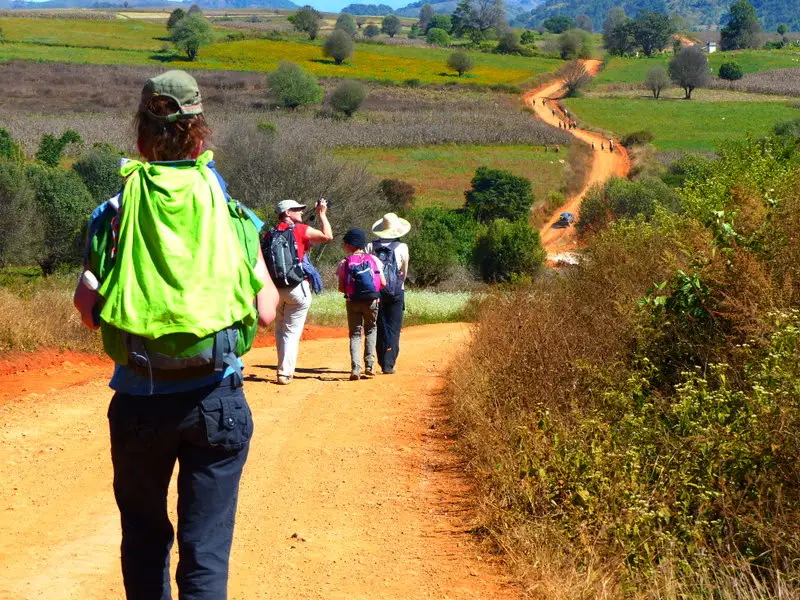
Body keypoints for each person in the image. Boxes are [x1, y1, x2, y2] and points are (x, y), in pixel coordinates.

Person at [73, 70, 279, 600]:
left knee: (144, 540)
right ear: (201, 137)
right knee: (205, 549)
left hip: (139, 400)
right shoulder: (232, 216)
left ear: (141, 138)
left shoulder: (113, 215)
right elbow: (268, 311)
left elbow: (89, 310)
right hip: (216, 399)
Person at [264, 198, 333, 385]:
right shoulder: (300, 230)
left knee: (280, 329)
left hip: (276, 290)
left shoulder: (268, 234)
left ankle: (281, 369)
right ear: (287, 213)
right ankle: (285, 373)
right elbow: (327, 236)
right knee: (292, 333)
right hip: (297, 287)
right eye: (297, 209)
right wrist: (322, 214)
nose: (301, 212)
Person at [337, 228, 386, 380]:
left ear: (350, 245)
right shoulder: (374, 260)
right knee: (371, 329)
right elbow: (383, 283)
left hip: (353, 302)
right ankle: (370, 365)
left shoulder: (345, 262)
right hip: (372, 301)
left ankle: (355, 369)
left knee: (355, 334)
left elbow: (341, 288)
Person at [366, 213, 411, 375]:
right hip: (396, 292)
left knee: (377, 326)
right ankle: (389, 364)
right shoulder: (402, 247)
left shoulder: (370, 246)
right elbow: (404, 272)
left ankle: (378, 360)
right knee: (394, 327)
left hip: (375, 291)